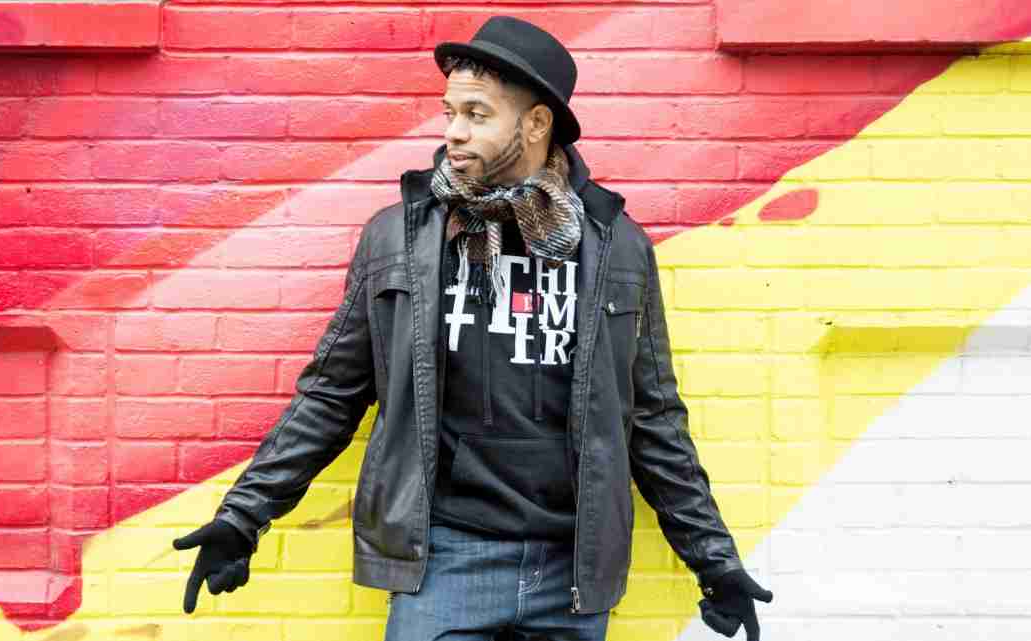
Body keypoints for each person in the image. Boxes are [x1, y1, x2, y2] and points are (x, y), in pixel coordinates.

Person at [172, 15, 773, 641]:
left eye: (477, 115)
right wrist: (244, 516)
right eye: (449, 112)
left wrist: (714, 560)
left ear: (536, 124)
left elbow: (651, 418)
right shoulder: (402, 237)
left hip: (573, 569)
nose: (453, 132)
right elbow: (331, 394)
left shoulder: (614, 247)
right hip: (444, 561)